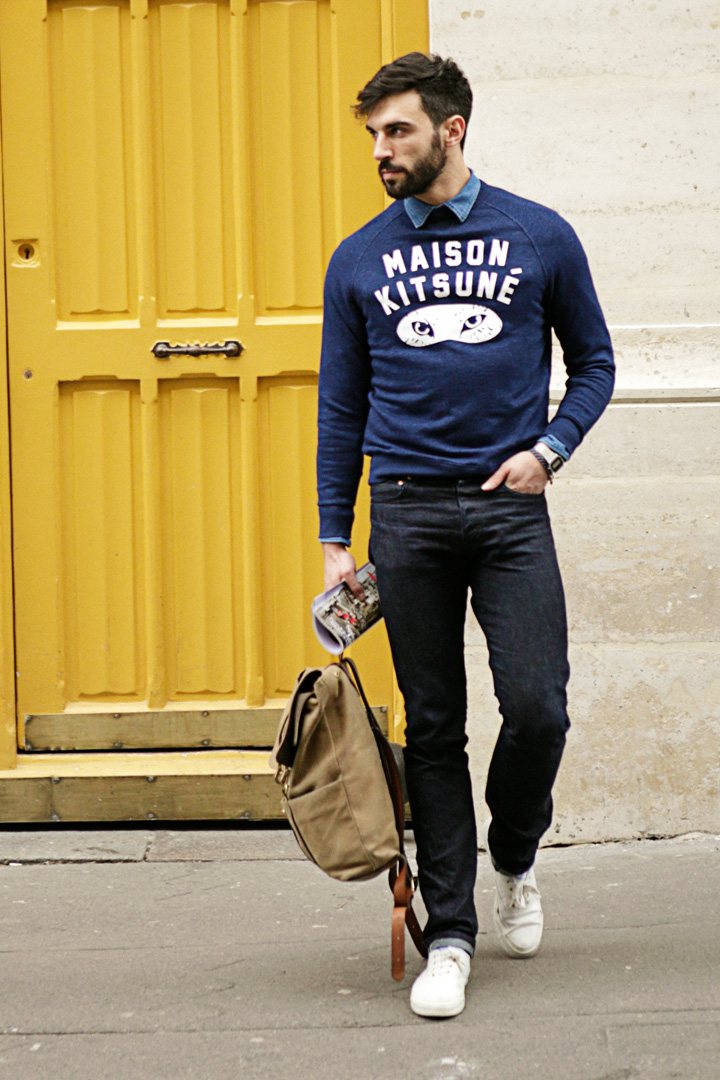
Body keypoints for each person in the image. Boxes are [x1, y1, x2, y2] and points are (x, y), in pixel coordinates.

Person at [316, 52, 614, 1019]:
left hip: (508, 508)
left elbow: (596, 363)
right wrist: (334, 536)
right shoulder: (358, 258)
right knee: (434, 726)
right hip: (405, 510)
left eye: (397, 130)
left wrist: (549, 451)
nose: (381, 149)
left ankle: (515, 855)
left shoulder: (539, 234)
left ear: (451, 129)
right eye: (373, 134)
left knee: (538, 709)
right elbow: (341, 405)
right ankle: (450, 935)